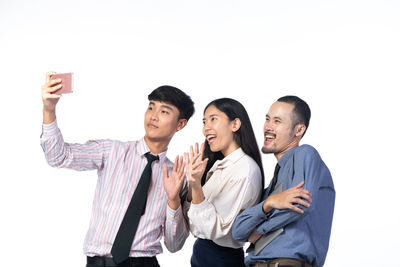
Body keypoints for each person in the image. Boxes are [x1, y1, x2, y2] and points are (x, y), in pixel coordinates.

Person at [40, 71, 194, 267]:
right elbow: (57, 157)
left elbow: (174, 245)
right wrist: (49, 110)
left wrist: (173, 201)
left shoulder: (177, 176)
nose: (154, 116)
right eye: (151, 107)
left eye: (164, 111)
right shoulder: (111, 151)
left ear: (180, 124)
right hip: (99, 262)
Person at [232, 96, 335, 267]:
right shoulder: (272, 188)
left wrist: (260, 228)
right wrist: (269, 203)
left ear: (299, 130)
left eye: (277, 121)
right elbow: (238, 232)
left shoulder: (305, 153)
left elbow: (300, 205)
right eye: (267, 119)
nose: (268, 127)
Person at [180, 98, 265, 267]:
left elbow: (214, 229)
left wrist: (196, 185)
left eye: (213, 119)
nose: (205, 128)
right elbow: (192, 218)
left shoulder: (244, 170)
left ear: (235, 124)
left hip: (220, 259)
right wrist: (192, 183)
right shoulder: (219, 166)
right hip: (203, 253)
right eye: (204, 121)